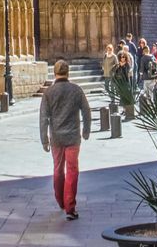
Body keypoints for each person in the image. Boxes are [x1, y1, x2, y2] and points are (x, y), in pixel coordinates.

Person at [39, 59, 92, 220]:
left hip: (56, 137)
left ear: (54, 73)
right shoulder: (76, 90)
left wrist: (44, 139)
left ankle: (60, 200)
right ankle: (70, 206)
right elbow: (86, 111)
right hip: (73, 136)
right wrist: (86, 130)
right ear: (68, 72)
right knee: (72, 170)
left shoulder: (48, 93)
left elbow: (43, 118)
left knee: (58, 169)